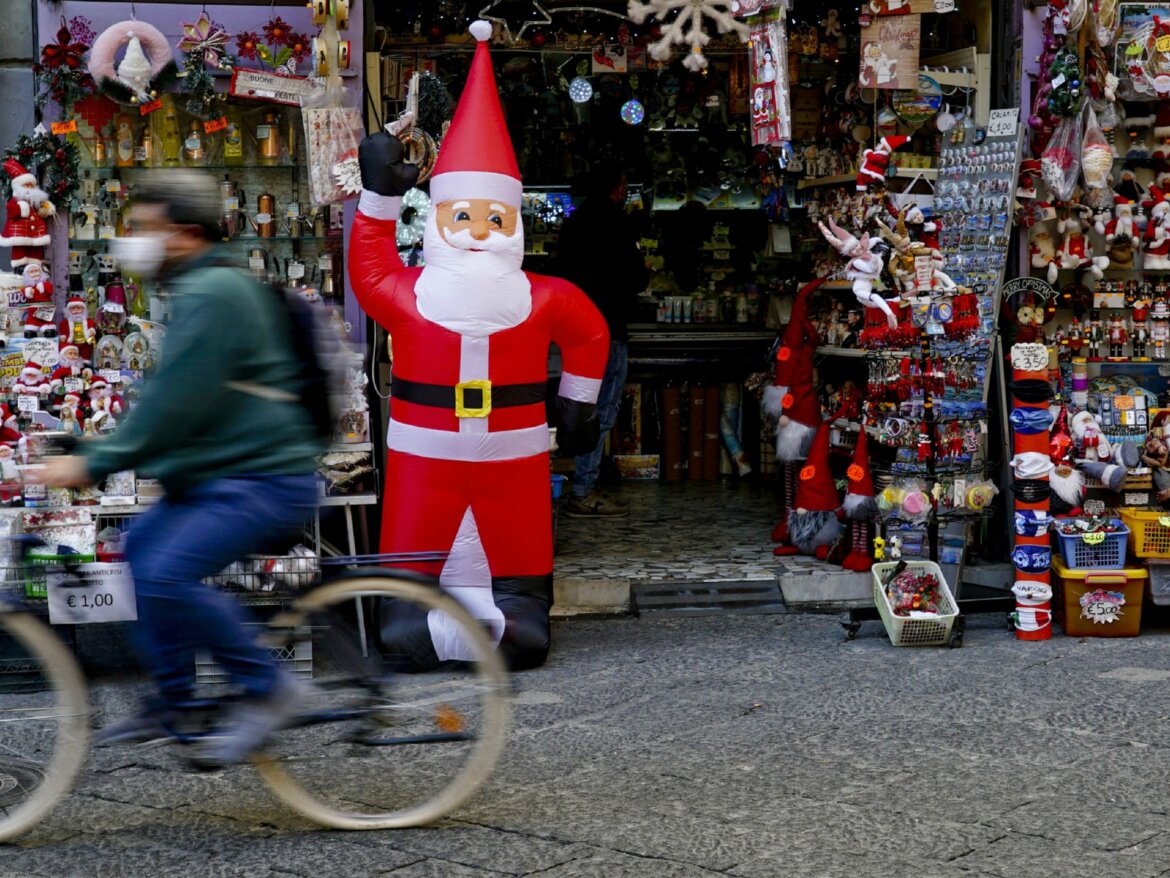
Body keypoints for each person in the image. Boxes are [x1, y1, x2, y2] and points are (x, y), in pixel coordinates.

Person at [37, 171, 323, 767]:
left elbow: (173, 408)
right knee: (141, 550)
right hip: (222, 475)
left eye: (146, 228)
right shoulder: (199, 289)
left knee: (167, 574)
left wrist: (93, 461)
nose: (134, 240)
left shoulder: (214, 295)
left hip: (263, 479)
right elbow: (184, 403)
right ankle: (174, 699)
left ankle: (273, 690)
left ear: (187, 234)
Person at [551, 160, 650, 518]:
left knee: (576, 406)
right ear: (619, 189)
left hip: (572, 329)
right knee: (603, 408)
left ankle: (575, 482)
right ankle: (583, 489)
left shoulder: (574, 221)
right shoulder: (617, 222)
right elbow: (636, 277)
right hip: (607, 328)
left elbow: (559, 270)